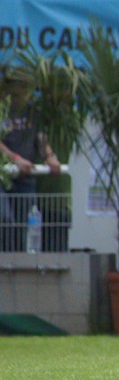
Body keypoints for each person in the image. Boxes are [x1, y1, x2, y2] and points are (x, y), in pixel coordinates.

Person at [0, 67, 62, 252]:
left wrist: (50, 157)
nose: (23, 94)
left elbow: (40, 136)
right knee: (5, 218)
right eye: (18, 88)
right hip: (3, 176)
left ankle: (16, 268)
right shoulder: (2, 109)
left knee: (20, 226)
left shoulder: (33, 110)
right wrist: (14, 158)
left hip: (26, 177)